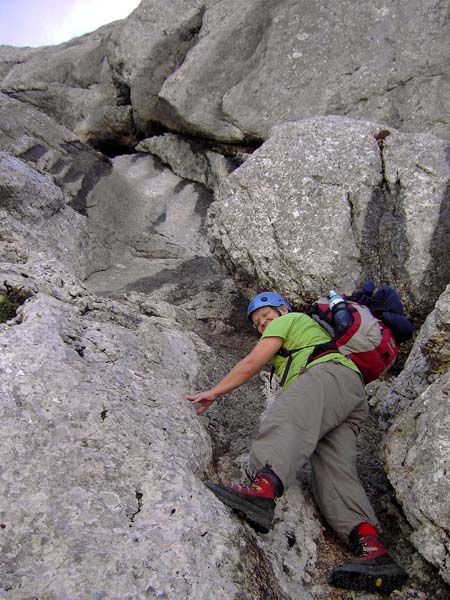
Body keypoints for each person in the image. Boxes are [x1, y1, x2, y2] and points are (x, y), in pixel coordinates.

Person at [186, 292, 408, 594]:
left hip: (327, 375)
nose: (263, 324)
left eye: (266, 316)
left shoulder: (290, 321)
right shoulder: (306, 331)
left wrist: (214, 391)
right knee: (333, 472)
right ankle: (372, 548)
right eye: (257, 323)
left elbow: (253, 362)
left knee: (286, 418)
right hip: (350, 393)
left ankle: (261, 493)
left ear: (283, 309)